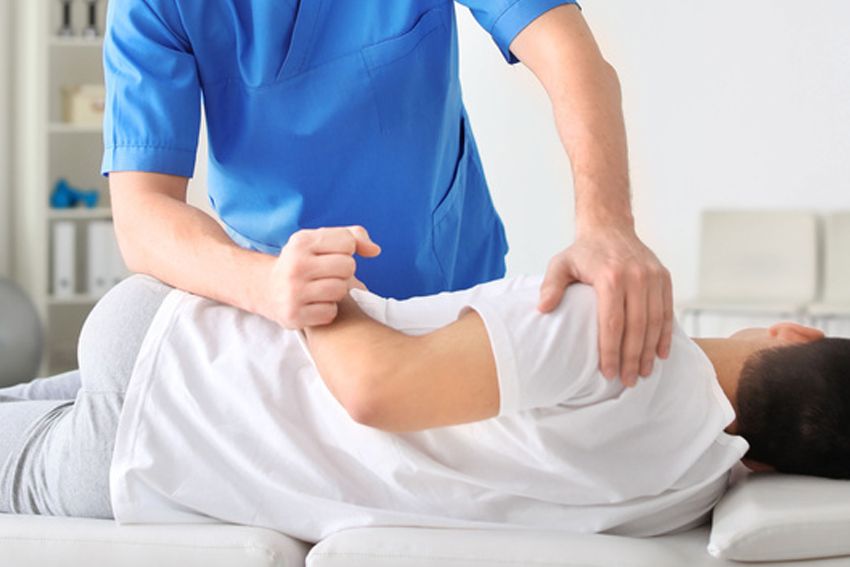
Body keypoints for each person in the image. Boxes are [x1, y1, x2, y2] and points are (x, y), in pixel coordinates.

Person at [1, 267, 848, 542]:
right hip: (169, 443)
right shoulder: (685, 494)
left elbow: (377, 387)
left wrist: (306, 272)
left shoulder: (630, 336)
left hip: (188, 375)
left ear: (794, 336)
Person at [103, 0, 673, 387]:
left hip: (453, 295)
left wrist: (607, 225)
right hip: (286, 317)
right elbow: (142, 213)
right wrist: (266, 283)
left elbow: (570, 56)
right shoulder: (153, 8)